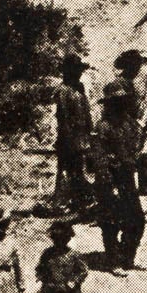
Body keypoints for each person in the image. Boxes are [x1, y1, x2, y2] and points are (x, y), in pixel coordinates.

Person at [91, 81, 145, 274]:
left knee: (137, 220)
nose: (120, 104)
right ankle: (113, 261)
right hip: (109, 180)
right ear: (109, 104)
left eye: (123, 100)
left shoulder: (129, 124)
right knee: (111, 221)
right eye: (116, 101)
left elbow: (134, 150)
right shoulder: (103, 126)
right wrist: (107, 181)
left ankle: (127, 256)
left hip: (127, 178)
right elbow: (98, 157)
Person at [54, 53, 93, 214]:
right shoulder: (63, 91)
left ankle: (80, 200)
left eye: (79, 70)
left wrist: (90, 131)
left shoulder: (80, 88)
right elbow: (63, 117)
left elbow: (86, 111)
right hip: (69, 136)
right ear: (68, 71)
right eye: (75, 70)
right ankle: (64, 201)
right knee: (68, 168)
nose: (79, 73)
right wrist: (69, 139)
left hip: (82, 135)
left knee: (79, 169)